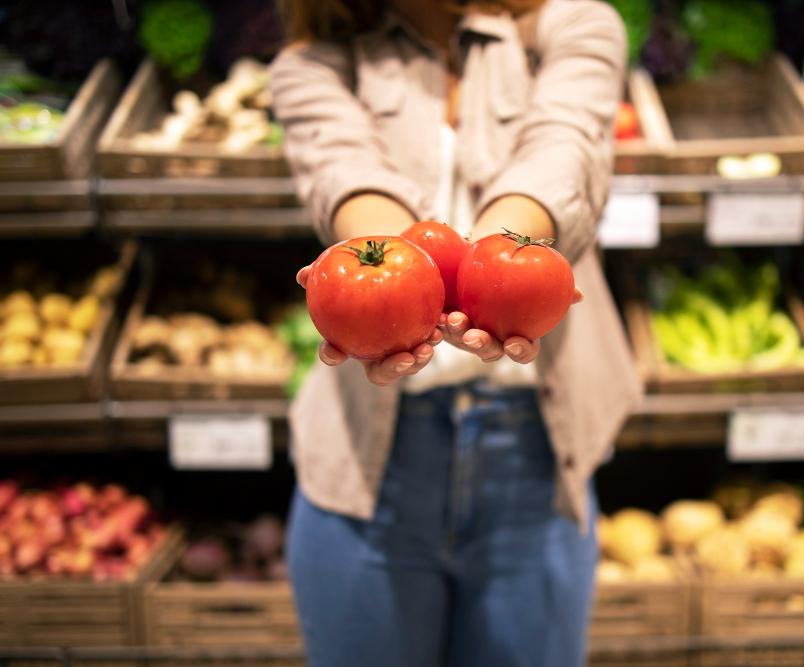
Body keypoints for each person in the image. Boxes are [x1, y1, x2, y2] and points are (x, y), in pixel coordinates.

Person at [270, 0, 641, 664]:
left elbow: (566, 145)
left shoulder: (574, 23)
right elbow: (343, 170)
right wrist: (383, 260)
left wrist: (504, 249)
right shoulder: (311, 63)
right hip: (366, 464)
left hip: (537, 455)